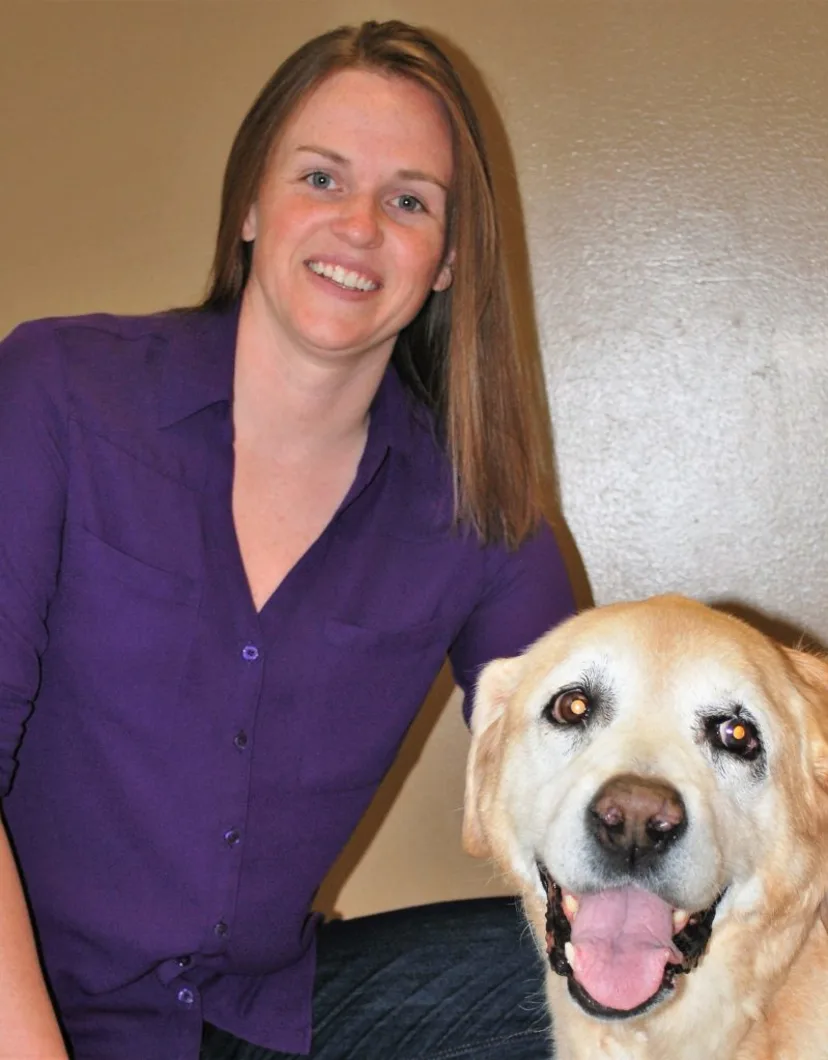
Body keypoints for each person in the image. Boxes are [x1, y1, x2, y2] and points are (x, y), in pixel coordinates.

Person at [0, 19, 575, 1060]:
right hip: (24, 1004)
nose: (359, 224)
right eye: (320, 177)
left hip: (255, 1020)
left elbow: (601, 758)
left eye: (409, 200)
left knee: (643, 981)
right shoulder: (58, 395)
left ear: (446, 260)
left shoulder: (477, 509)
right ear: (253, 207)